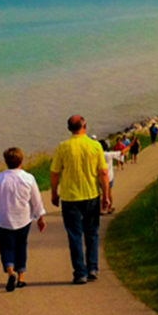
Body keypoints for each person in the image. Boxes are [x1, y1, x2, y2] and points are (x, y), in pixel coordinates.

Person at [50, 115, 111, 284]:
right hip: (91, 194)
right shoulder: (95, 146)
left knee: (74, 235)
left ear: (69, 128)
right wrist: (105, 195)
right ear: (84, 125)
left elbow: (55, 173)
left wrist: (54, 193)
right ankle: (92, 267)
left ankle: (79, 272)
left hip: (70, 197)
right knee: (91, 232)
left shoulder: (63, 147)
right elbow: (103, 173)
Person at [0, 147, 47, 292]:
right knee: (21, 245)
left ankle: (10, 270)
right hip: (23, 218)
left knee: (6, 247)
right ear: (21, 160)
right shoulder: (28, 178)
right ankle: (20, 278)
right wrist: (40, 216)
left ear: (6, 161)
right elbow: (36, 200)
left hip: (3, 218)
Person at [100, 140, 121, 214]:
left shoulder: (96, 155)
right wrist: (130, 145)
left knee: (101, 193)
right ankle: (109, 208)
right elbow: (120, 153)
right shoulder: (109, 154)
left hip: (99, 177)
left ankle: (101, 209)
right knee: (109, 192)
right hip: (109, 176)